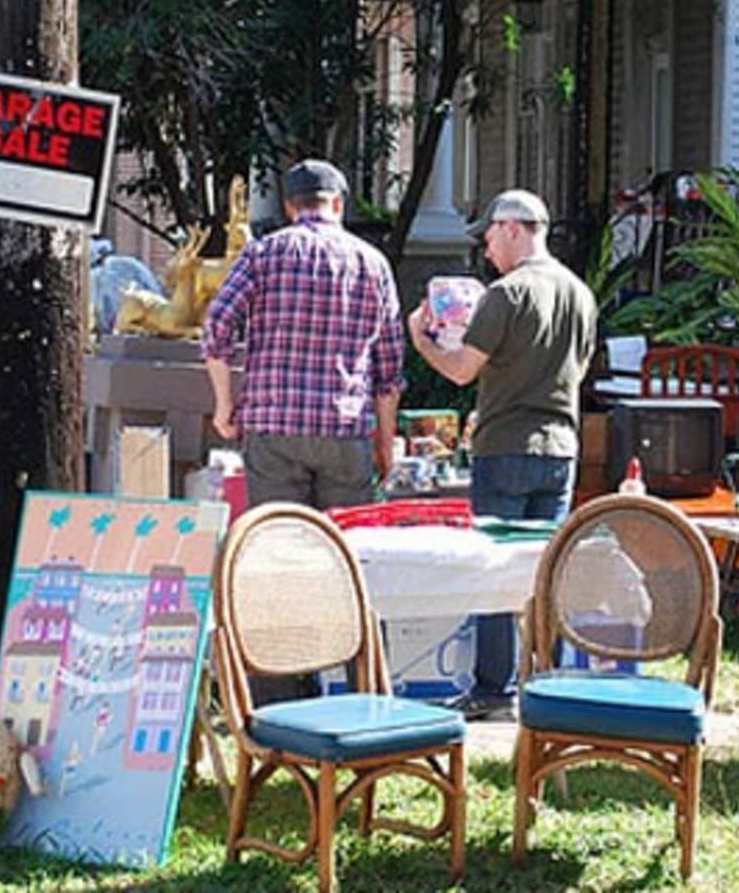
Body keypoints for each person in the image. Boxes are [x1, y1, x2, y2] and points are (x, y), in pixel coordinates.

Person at [407, 188, 597, 711]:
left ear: (513, 228)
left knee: (494, 572)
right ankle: (548, 684)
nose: (487, 250)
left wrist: (421, 341)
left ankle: (495, 690)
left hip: (506, 447)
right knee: (545, 572)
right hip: (560, 449)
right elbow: (577, 372)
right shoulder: (580, 293)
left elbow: (463, 370)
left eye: (489, 235)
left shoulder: (507, 294)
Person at [204, 158, 404, 509]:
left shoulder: (262, 254)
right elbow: (389, 368)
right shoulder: (373, 264)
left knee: (280, 544)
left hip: (273, 425)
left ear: (289, 206)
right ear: (338, 203)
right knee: (344, 546)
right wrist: (385, 443)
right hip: (345, 428)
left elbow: (217, 325)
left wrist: (224, 404)